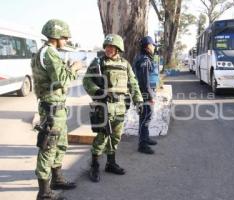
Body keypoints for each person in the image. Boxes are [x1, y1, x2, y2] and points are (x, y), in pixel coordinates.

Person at [31, 19, 83, 200]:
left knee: (60, 144)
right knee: (48, 147)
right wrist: (75, 68)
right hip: (52, 108)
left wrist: (68, 68)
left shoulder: (48, 52)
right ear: (56, 35)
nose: (67, 40)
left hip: (57, 108)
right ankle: (44, 193)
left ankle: (57, 179)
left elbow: (55, 77)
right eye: (65, 37)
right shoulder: (49, 53)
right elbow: (62, 80)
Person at [83, 34, 143, 182]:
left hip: (121, 106)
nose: (109, 49)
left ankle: (110, 163)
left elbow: (133, 83)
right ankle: (94, 165)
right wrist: (97, 91)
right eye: (107, 46)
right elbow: (87, 80)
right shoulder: (98, 62)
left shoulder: (125, 64)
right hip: (104, 106)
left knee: (116, 136)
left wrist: (139, 101)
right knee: (102, 137)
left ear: (118, 49)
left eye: (112, 47)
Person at [133, 36, 158, 155]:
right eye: (153, 45)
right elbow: (144, 81)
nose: (154, 47)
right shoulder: (144, 60)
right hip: (145, 94)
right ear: (148, 46)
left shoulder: (144, 58)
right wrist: (150, 96)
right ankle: (142, 144)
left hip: (145, 93)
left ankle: (146, 138)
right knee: (146, 117)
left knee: (145, 117)